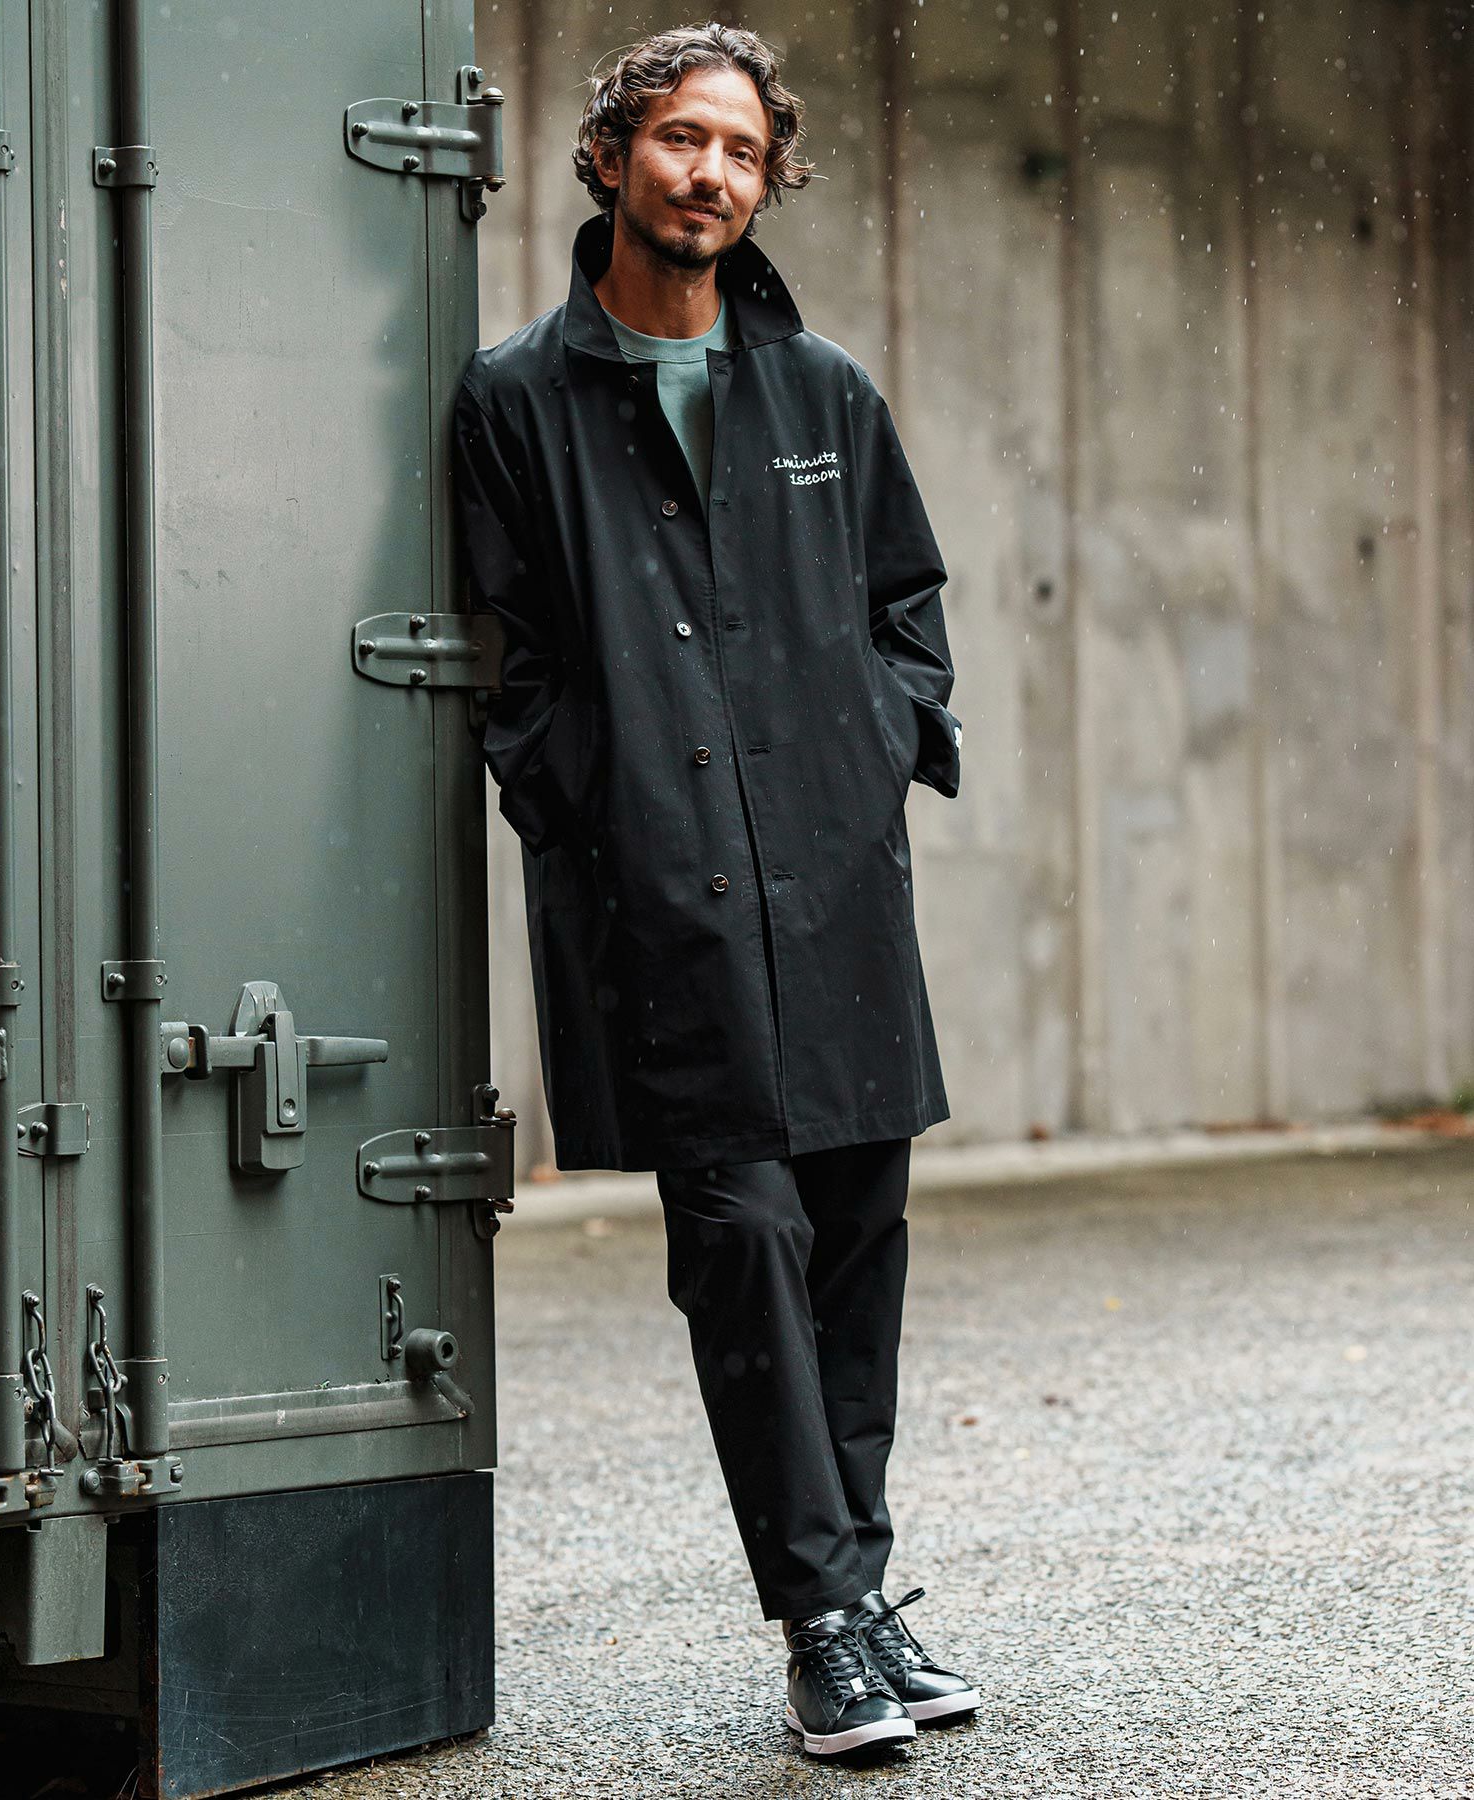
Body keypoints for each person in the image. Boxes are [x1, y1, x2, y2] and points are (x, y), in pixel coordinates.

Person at [452, 20, 977, 1760]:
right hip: (656, 898)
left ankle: (861, 1596)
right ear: (612, 157)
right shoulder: (516, 401)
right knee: (745, 1243)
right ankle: (821, 1618)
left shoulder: (823, 392)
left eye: (744, 152)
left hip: (835, 889)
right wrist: (582, 803)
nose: (713, 175)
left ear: (769, 180)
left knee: (860, 1237)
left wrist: (879, 745)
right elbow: (510, 657)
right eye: (684, 139)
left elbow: (908, 605)